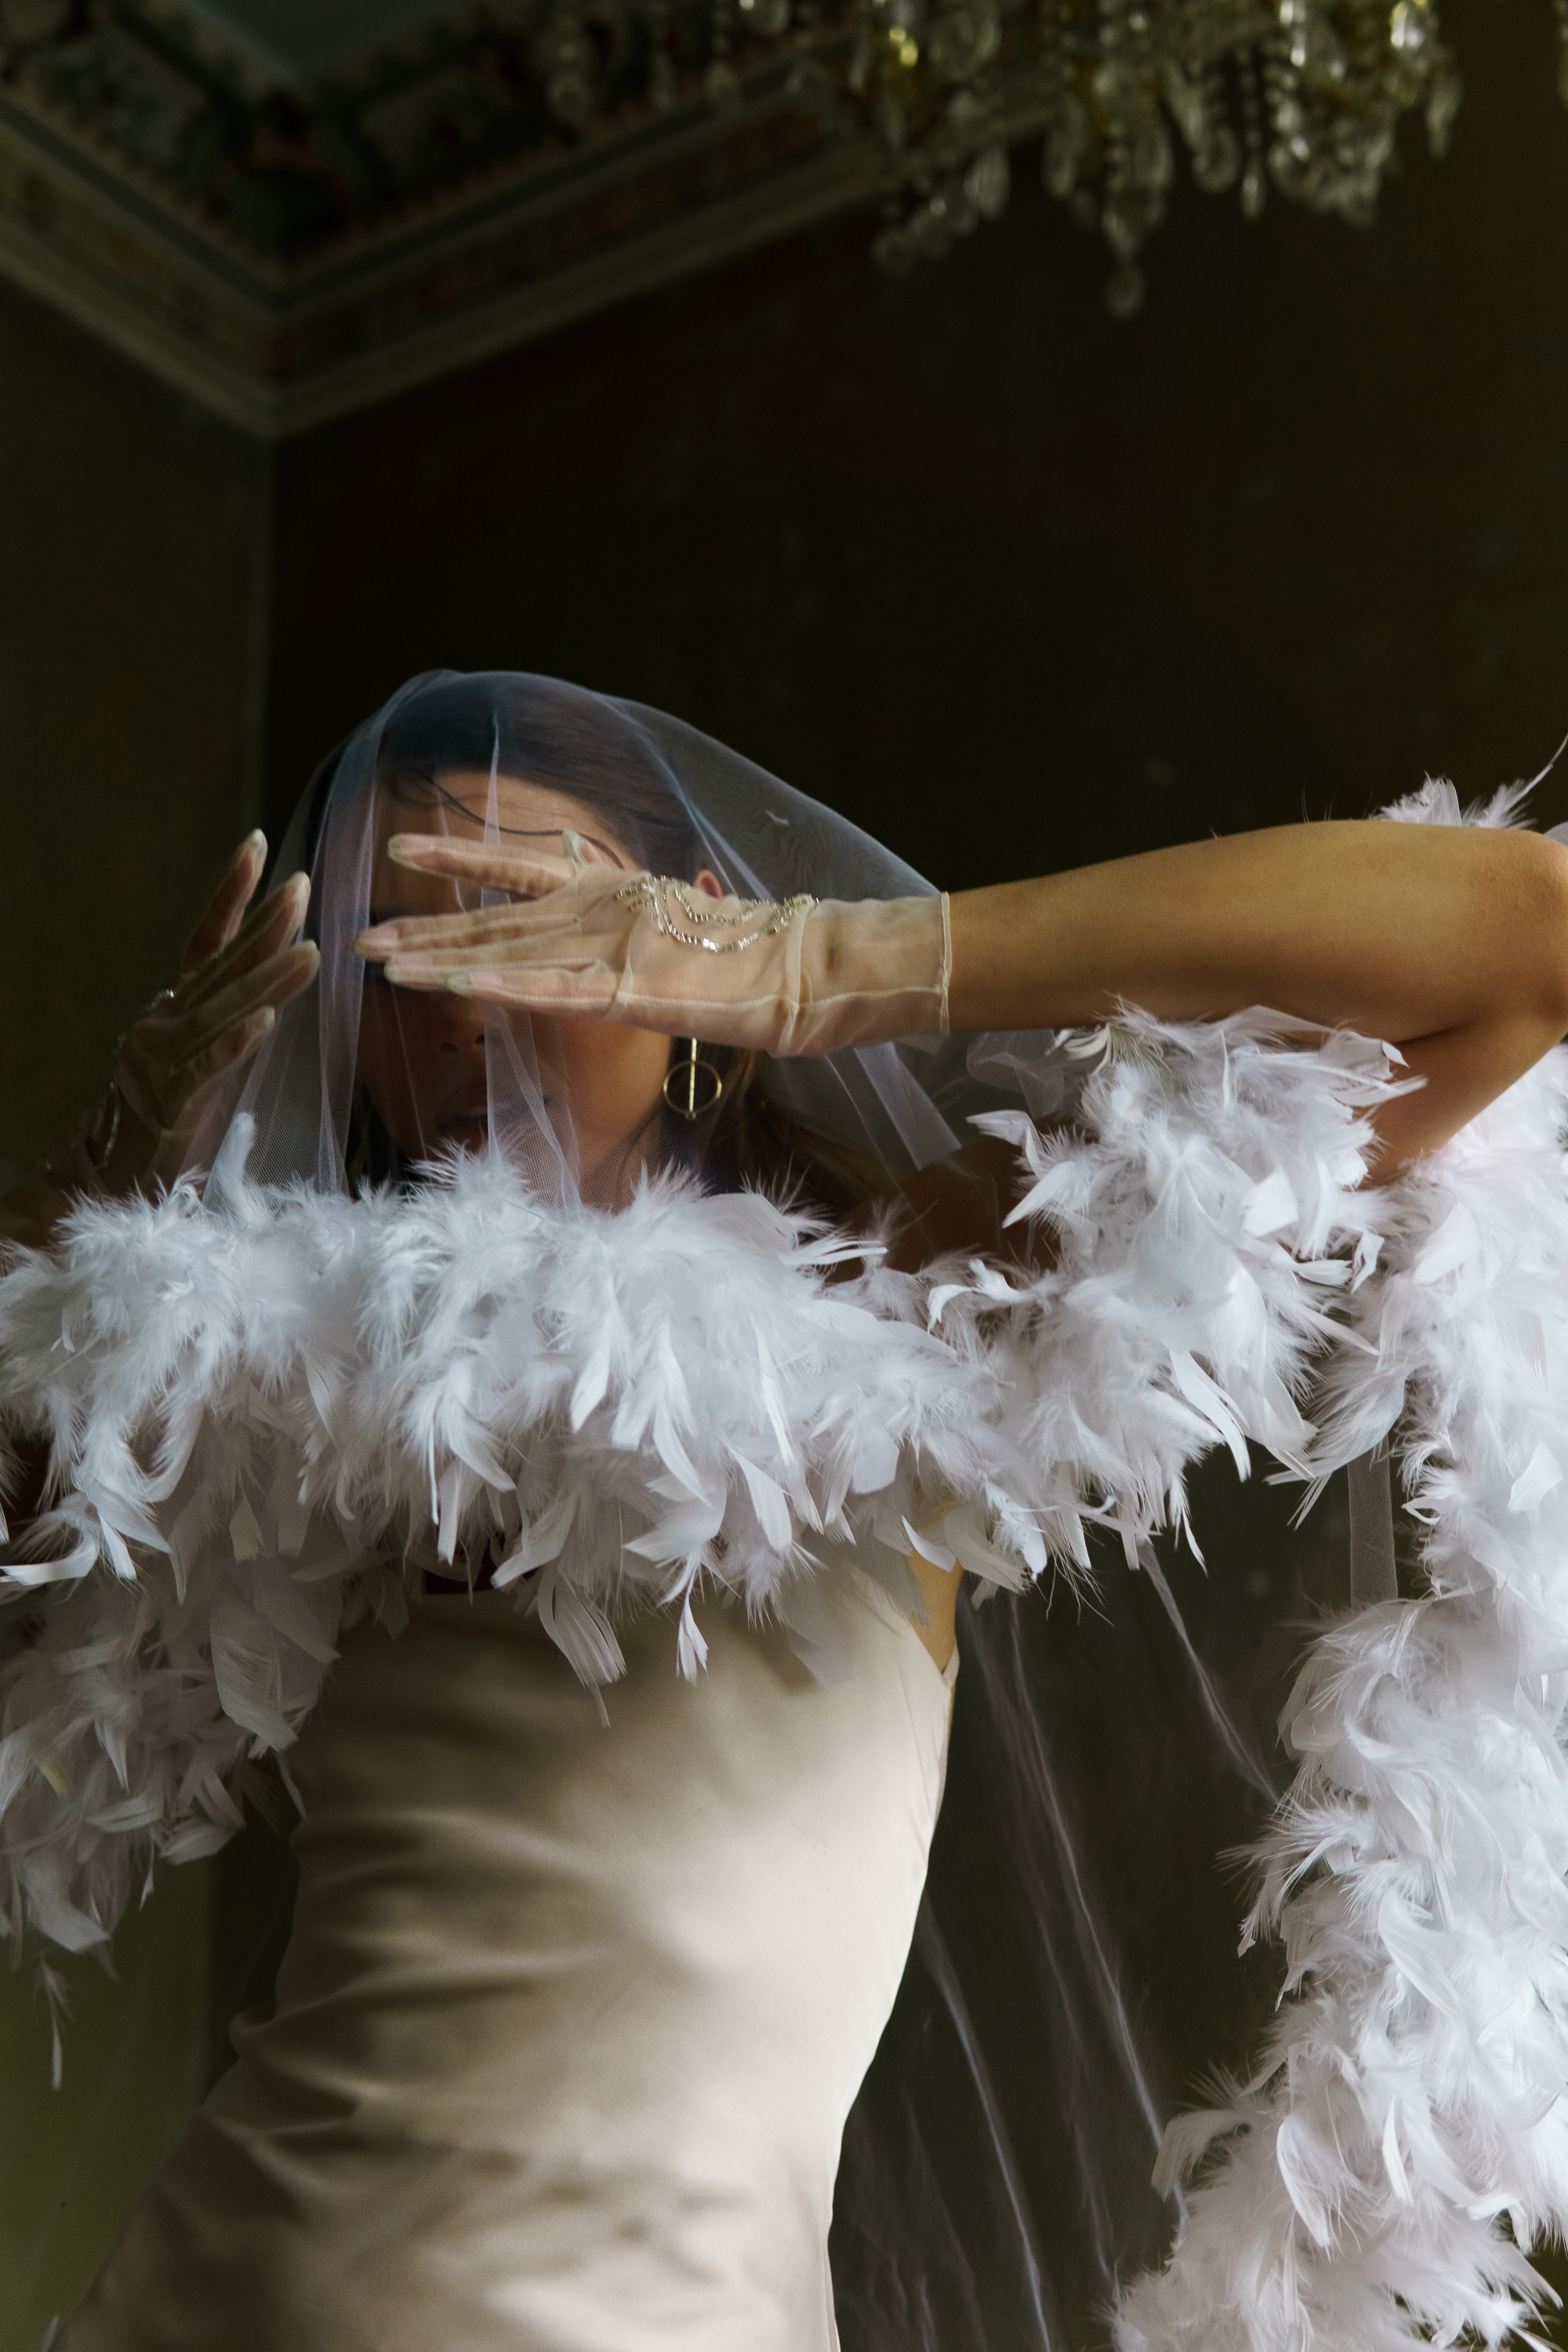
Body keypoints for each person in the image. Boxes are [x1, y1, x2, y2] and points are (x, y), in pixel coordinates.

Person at [4, 671, 1567, 2352]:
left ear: (683, 947)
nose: (460, 1007)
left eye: (520, 913)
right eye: (394, 950)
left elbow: (1521, 940)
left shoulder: (909, 1296)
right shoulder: (282, 1363)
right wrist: (88, 1229)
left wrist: (820, 967)